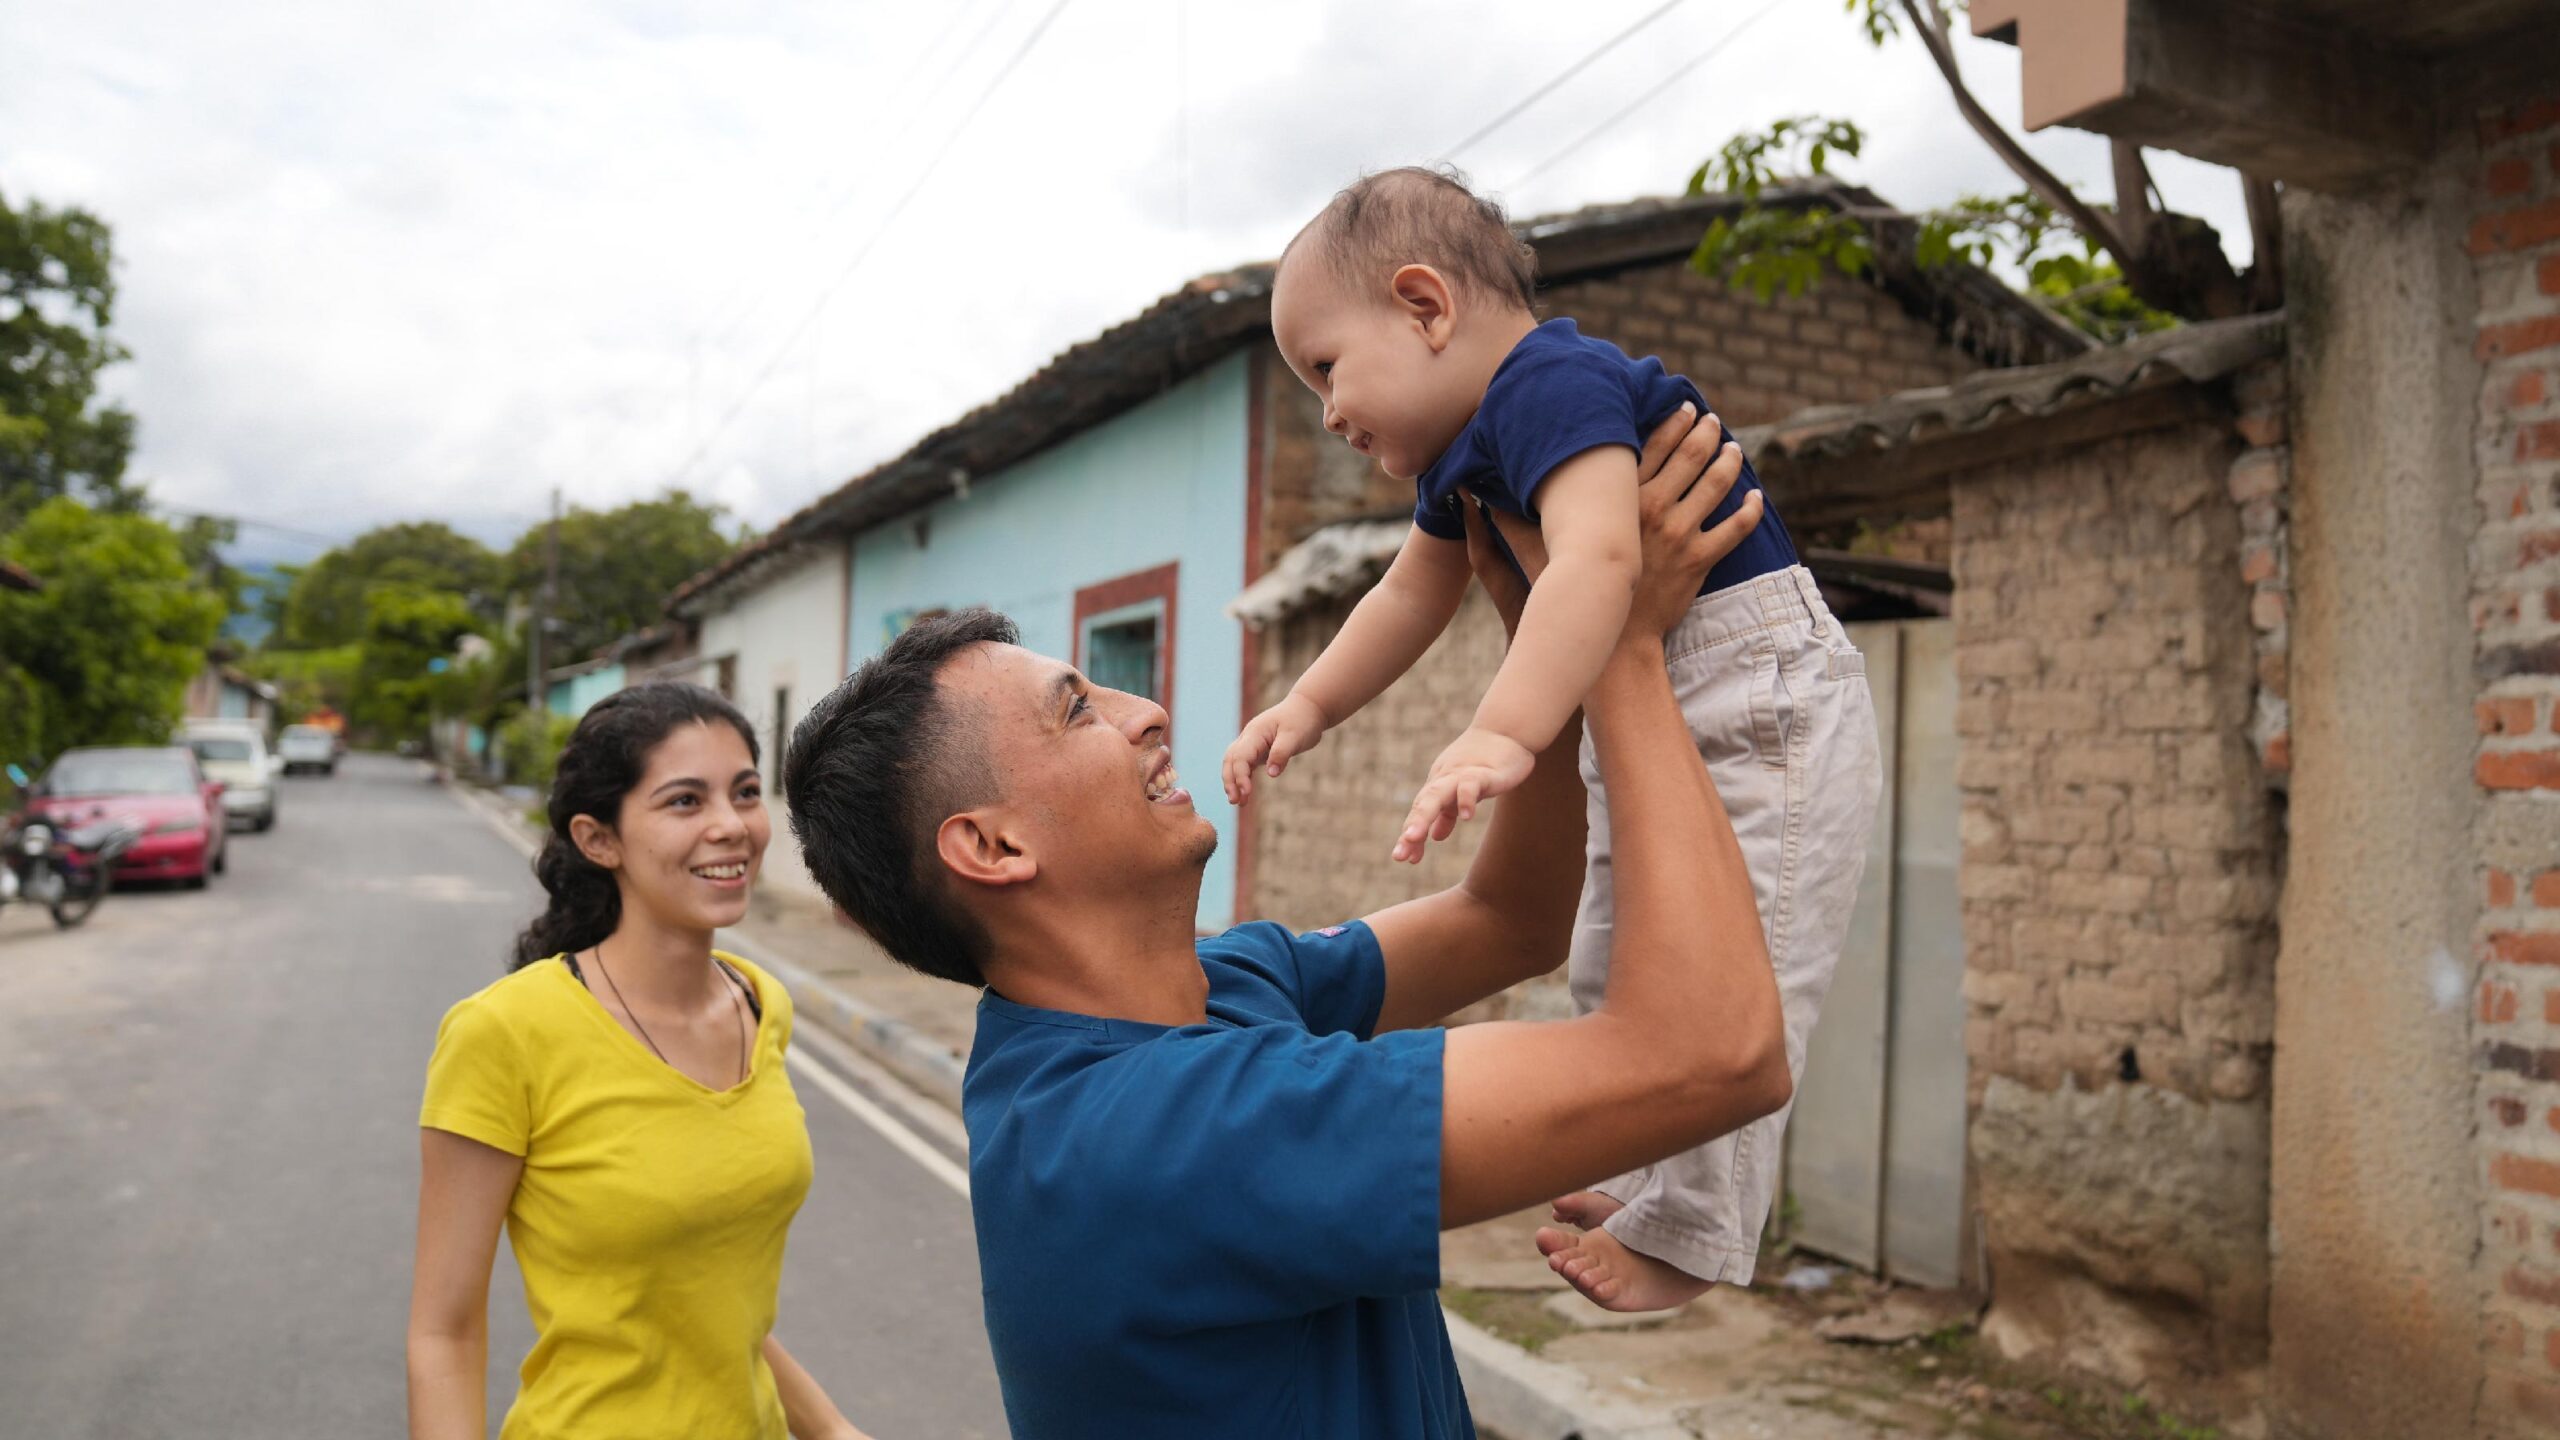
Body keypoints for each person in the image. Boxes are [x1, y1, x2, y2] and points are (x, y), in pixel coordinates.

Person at [784, 408, 1784, 1438]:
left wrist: (1549, 640)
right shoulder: (1161, 1137)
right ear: (991, 850)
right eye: (1077, 709)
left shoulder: (1217, 985)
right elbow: (1714, 1055)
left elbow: (1510, 921)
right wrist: (1622, 646)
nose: (1147, 712)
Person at [1225, 166, 1884, 1311]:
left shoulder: (1550, 382)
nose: (1325, 411)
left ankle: (1695, 1235)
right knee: (1619, 954)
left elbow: (1599, 562)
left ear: (1426, 306)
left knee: (1750, 960)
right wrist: (1309, 706)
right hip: (1675, 686)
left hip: (1756, 687)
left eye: (1325, 369)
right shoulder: (1461, 456)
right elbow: (1404, 599)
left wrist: (1499, 734)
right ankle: (1645, 1176)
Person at [406, 683, 867, 1440]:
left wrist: (833, 1429)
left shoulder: (761, 1006)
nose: (731, 826)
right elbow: (443, 1336)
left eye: (745, 792)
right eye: (685, 801)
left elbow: (711, 1306)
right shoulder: (504, 1034)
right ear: (599, 840)